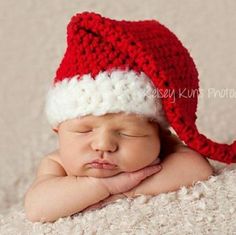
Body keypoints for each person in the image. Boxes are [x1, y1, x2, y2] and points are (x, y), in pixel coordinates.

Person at [24, 11, 235, 223]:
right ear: (58, 130)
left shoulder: (163, 149)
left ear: (160, 134)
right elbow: (37, 207)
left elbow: (197, 168)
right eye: (84, 130)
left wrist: (124, 190)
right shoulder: (57, 162)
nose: (104, 145)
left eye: (127, 133)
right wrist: (103, 186)